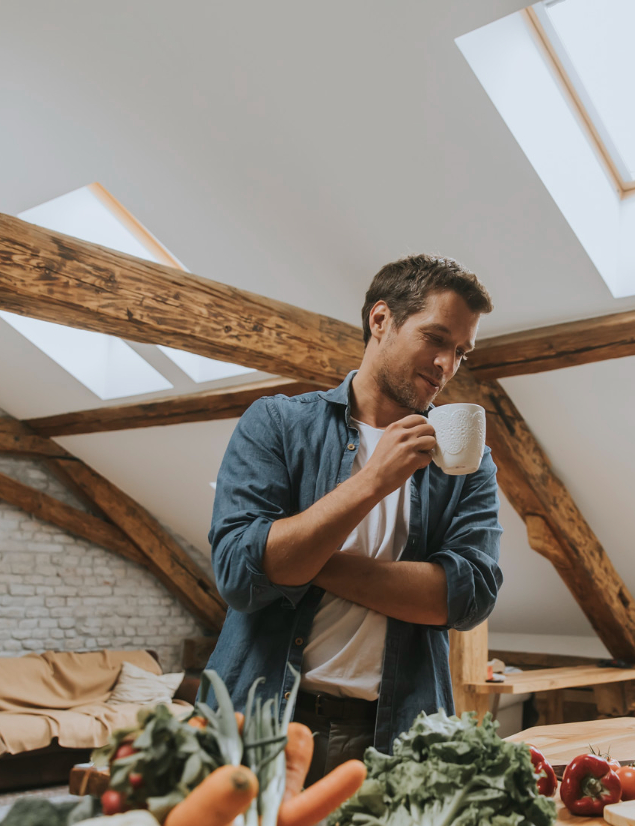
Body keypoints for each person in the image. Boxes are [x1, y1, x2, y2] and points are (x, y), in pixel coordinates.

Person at [206, 254, 503, 783]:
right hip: (258, 724)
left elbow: (466, 597)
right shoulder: (276, 423)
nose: (446, 365)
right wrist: (371, 483)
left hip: (399, 737)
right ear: (381, 320)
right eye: (435, 338)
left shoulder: (467, 459)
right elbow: (238, 577)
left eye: (460, 351)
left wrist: (303, 558)